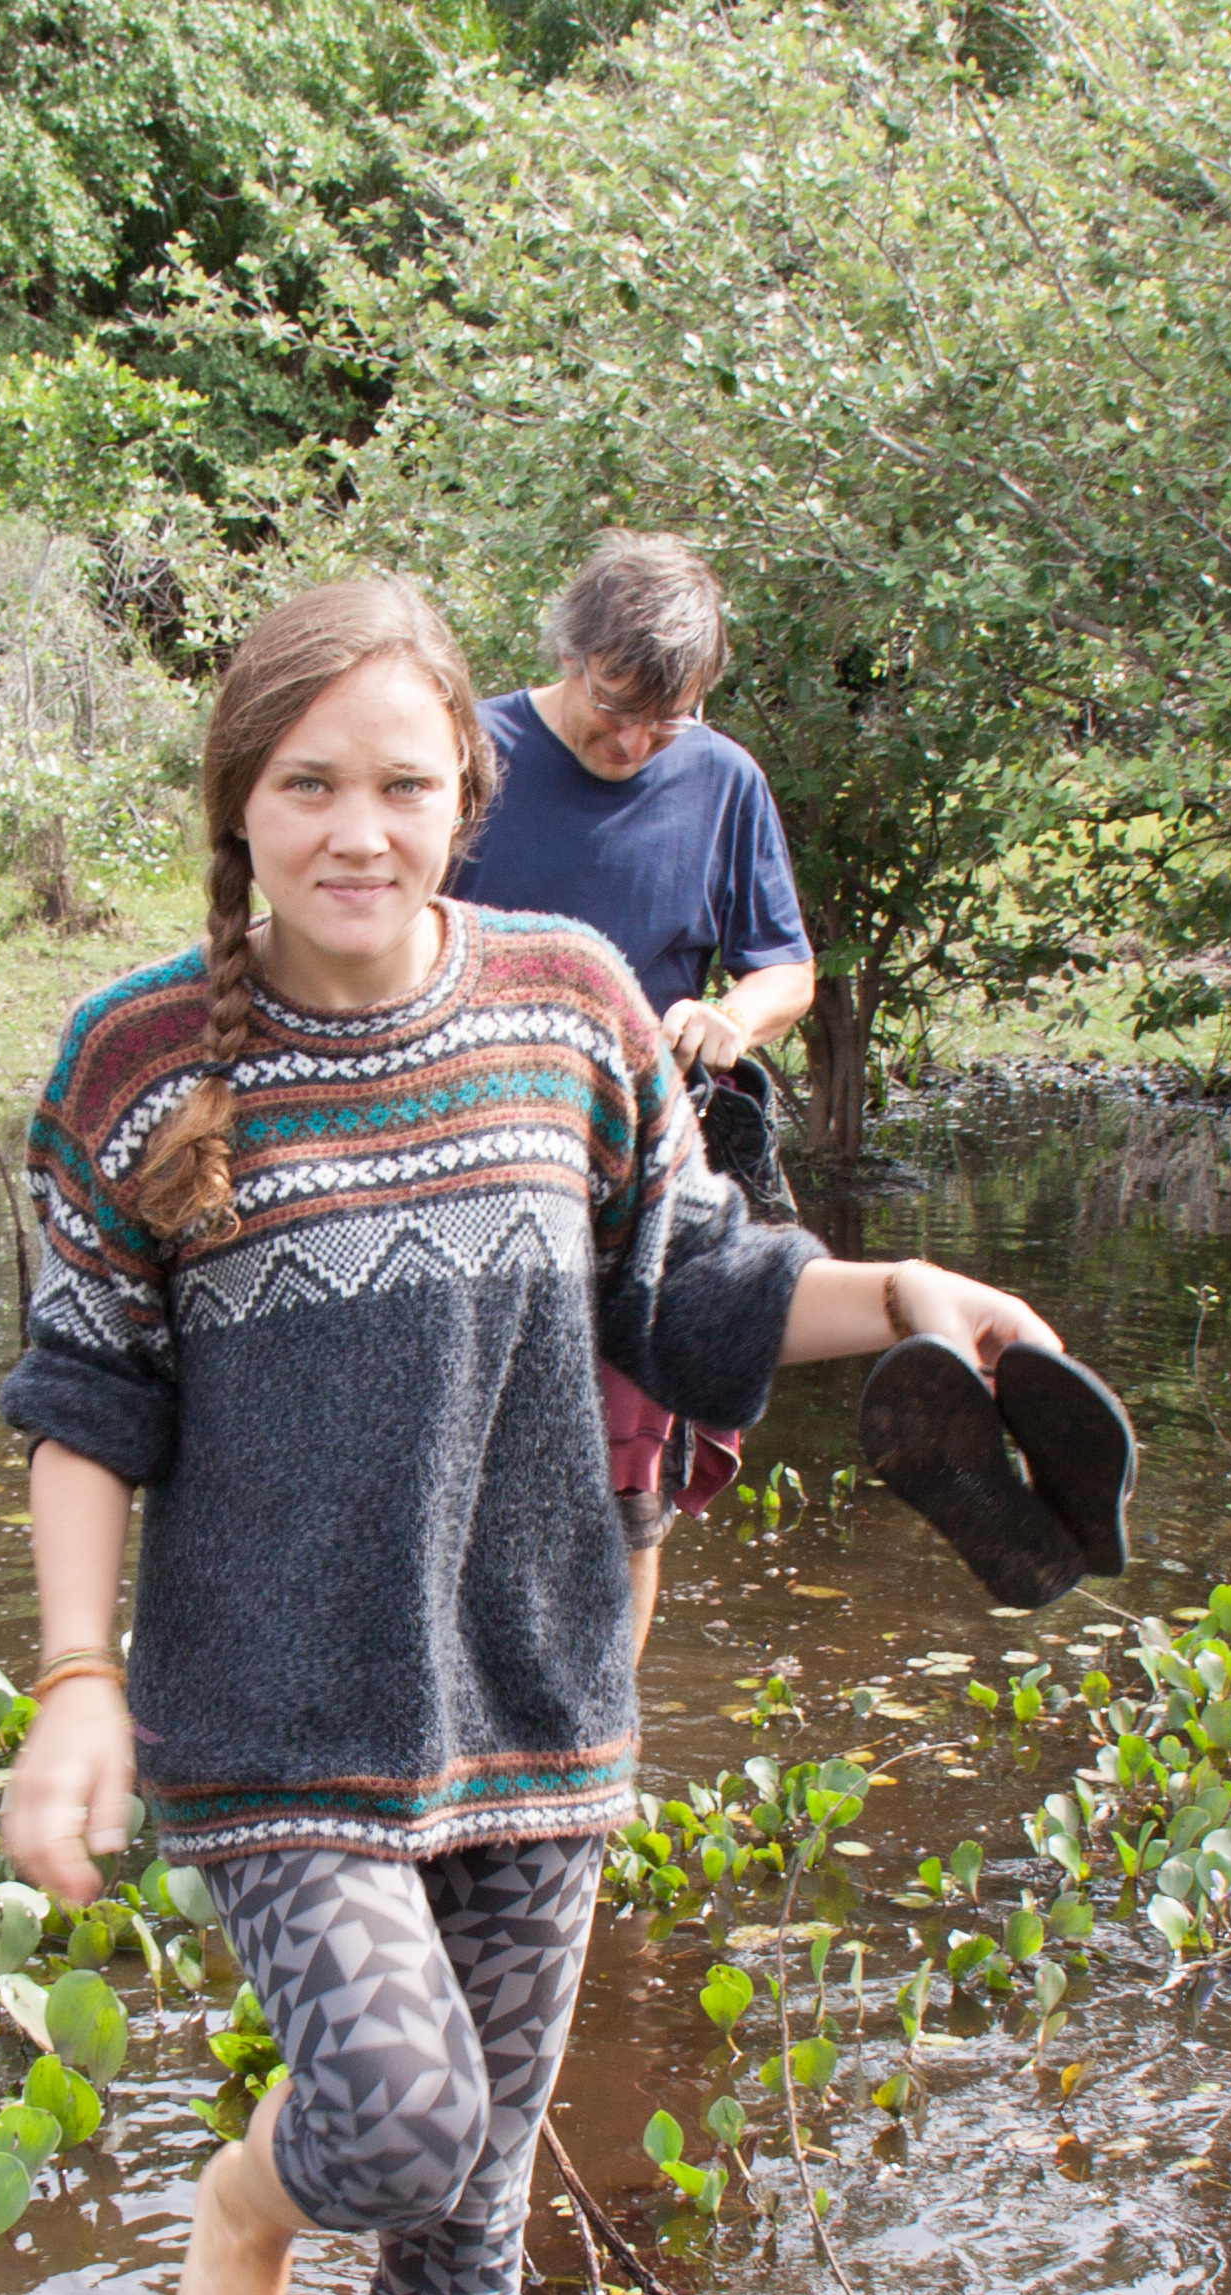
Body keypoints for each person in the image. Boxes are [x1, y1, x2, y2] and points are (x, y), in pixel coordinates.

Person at [0, 574, 1056, 2295]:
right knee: (391, 2117)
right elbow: (85, 1392)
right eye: (307, 786)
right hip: (285, 1712)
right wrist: (76, 1678)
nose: (357, 833)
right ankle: (239, 2215)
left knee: (470, 2208)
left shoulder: (566, 1001)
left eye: (403, 784)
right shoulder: (131, 1060)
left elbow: (690, 1288)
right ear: (240, 804)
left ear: (467, 793)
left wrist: (907, 1291)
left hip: (538, 1690)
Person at [448, 532, 822, 1663]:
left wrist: (735, 1020)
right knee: (454, 1477)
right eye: (613, 705)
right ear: (570, 654)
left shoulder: (723, 780)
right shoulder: (473, 756)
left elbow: (786, 967)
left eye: (665, 718)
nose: (632, 739)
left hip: (638, 1183)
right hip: (470, 1165)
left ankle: (602, 1744)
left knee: (628, 1489)